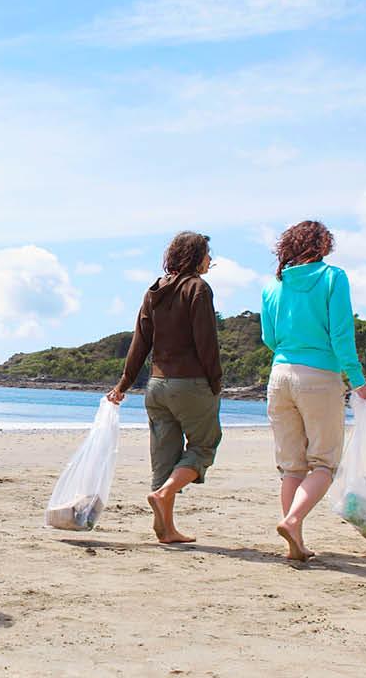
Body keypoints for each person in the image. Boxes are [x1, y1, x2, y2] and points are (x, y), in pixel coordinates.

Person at [260, 220, 366, 561]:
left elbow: (269, 338)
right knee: (324, 463)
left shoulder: (272, 286)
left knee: (291, 466)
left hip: (279, 376)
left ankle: (293, 540)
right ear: (322, 245)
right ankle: (293, 520)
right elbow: (341, 334)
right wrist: (358, 380)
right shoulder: (332, 278)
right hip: (319, 375)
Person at [107, 231, 223, 545]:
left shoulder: (153, 291)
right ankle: (165, 493)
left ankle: (165, 529)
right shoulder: (197, 288)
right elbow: (206, 342)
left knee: (163, 459)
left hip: (156, 387)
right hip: (191, 384)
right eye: (207, 254)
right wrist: (216, 382)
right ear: (196, 256)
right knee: (204, 446)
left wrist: (123, 385)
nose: (210, 260)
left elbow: (139, 343)